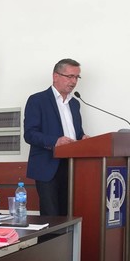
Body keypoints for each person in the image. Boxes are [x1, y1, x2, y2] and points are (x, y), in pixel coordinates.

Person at [24, 58, 89, 216]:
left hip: (72, 167)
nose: (74, 81)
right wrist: (55, 141)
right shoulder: (37, 100)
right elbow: (30, 134)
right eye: (70, 76)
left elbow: (76, 133)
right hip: (48, 166)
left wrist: (83, 138)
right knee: (51, 216)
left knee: (69, 215)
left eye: (77, 77)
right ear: (55, 76)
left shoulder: (75, 103)